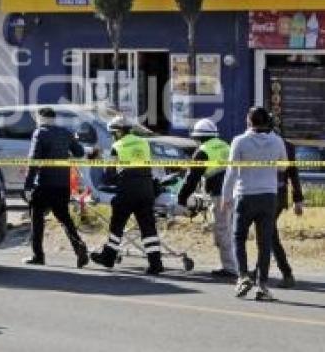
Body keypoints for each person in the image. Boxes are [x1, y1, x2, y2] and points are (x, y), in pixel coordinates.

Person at [221, 107, 285, 302]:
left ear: (249, 121)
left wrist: (226, 196)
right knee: (264, 242)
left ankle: (242, 276)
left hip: (245, 194)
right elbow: (283, 166)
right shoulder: (277, 140)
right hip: (268, 195)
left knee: (238, 237)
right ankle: (262, 285)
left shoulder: (239, 141)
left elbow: (231, 171)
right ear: (267, 122)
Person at [90, 116, 164, 275]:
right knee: (148, 228)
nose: (112, 137)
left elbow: (109, 175)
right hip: (146, 188)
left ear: (118, 132)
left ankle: (108, 258)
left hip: (128, 191)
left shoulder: (117, 146)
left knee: (117, 226)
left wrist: (109, 175)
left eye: (112, 134)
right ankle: (156, 263)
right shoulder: (144, 143)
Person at [23, 107, 88, 268]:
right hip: (62, 184)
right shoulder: (65, 132)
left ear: (40, 118)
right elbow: (79, 152)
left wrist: (28, 186)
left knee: (37, 219)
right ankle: (79, 246)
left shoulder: (40, 133)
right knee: (64, 218)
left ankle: (38, 255)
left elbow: (34, 161)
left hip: (43, 184)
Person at [176, 118, 235, 278]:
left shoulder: (202, 152)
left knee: (222, 231)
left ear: (198, 137)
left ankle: (231, 268)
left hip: (219, 195)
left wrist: (181, 200)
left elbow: (191, 179)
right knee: (228, 230)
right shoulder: (225, 145)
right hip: (235, 192)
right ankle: (232, 264)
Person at [260, 133, 304, 289]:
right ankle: (261, 270)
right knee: (266, 232)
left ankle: (286, 273)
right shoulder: (285, 144)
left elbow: (292, 172)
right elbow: (293, 173)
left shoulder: (258, 142)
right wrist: (298, 199)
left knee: (269, 233)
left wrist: (298, 199)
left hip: (273, 195)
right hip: (274, 195)